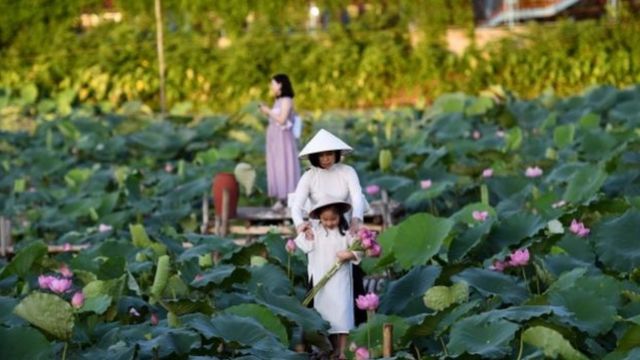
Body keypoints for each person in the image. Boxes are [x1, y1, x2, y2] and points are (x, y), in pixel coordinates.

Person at [294, 197, 361, 360]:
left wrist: (349, 254)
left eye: (333, 219)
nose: (329, 222)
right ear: (319, 219)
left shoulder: (346, 233)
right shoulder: (315, 232)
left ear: (340, 216)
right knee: (326, 318)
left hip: (341, 280)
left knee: (343, 317)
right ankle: (330, 349)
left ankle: (343, 351)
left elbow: (359, 251)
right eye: (325, 220)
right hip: (321, 280)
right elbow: (304, 246)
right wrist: (305, 232)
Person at [291, 129, 366, 237]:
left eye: (329, 154)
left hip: (346, 228)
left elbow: (357, 198)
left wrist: (355, 221)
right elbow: (296, 206)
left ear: (336, 154)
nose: (325, 159)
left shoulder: (348, 171)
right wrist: (300, 225)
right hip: (318, 231)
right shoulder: (309, 176)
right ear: (315, 157)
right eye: (321, 155)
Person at [259, 73, 301, 211]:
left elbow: (282, 119)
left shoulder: (287, 100)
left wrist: (268, 111)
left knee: (285, 165)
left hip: (283, 138)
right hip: (275, 139)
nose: (271, 87)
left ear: (280, 84)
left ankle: (290, 199)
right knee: (276, 166)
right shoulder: (278, 100)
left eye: (273, 84)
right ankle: (281, 199)